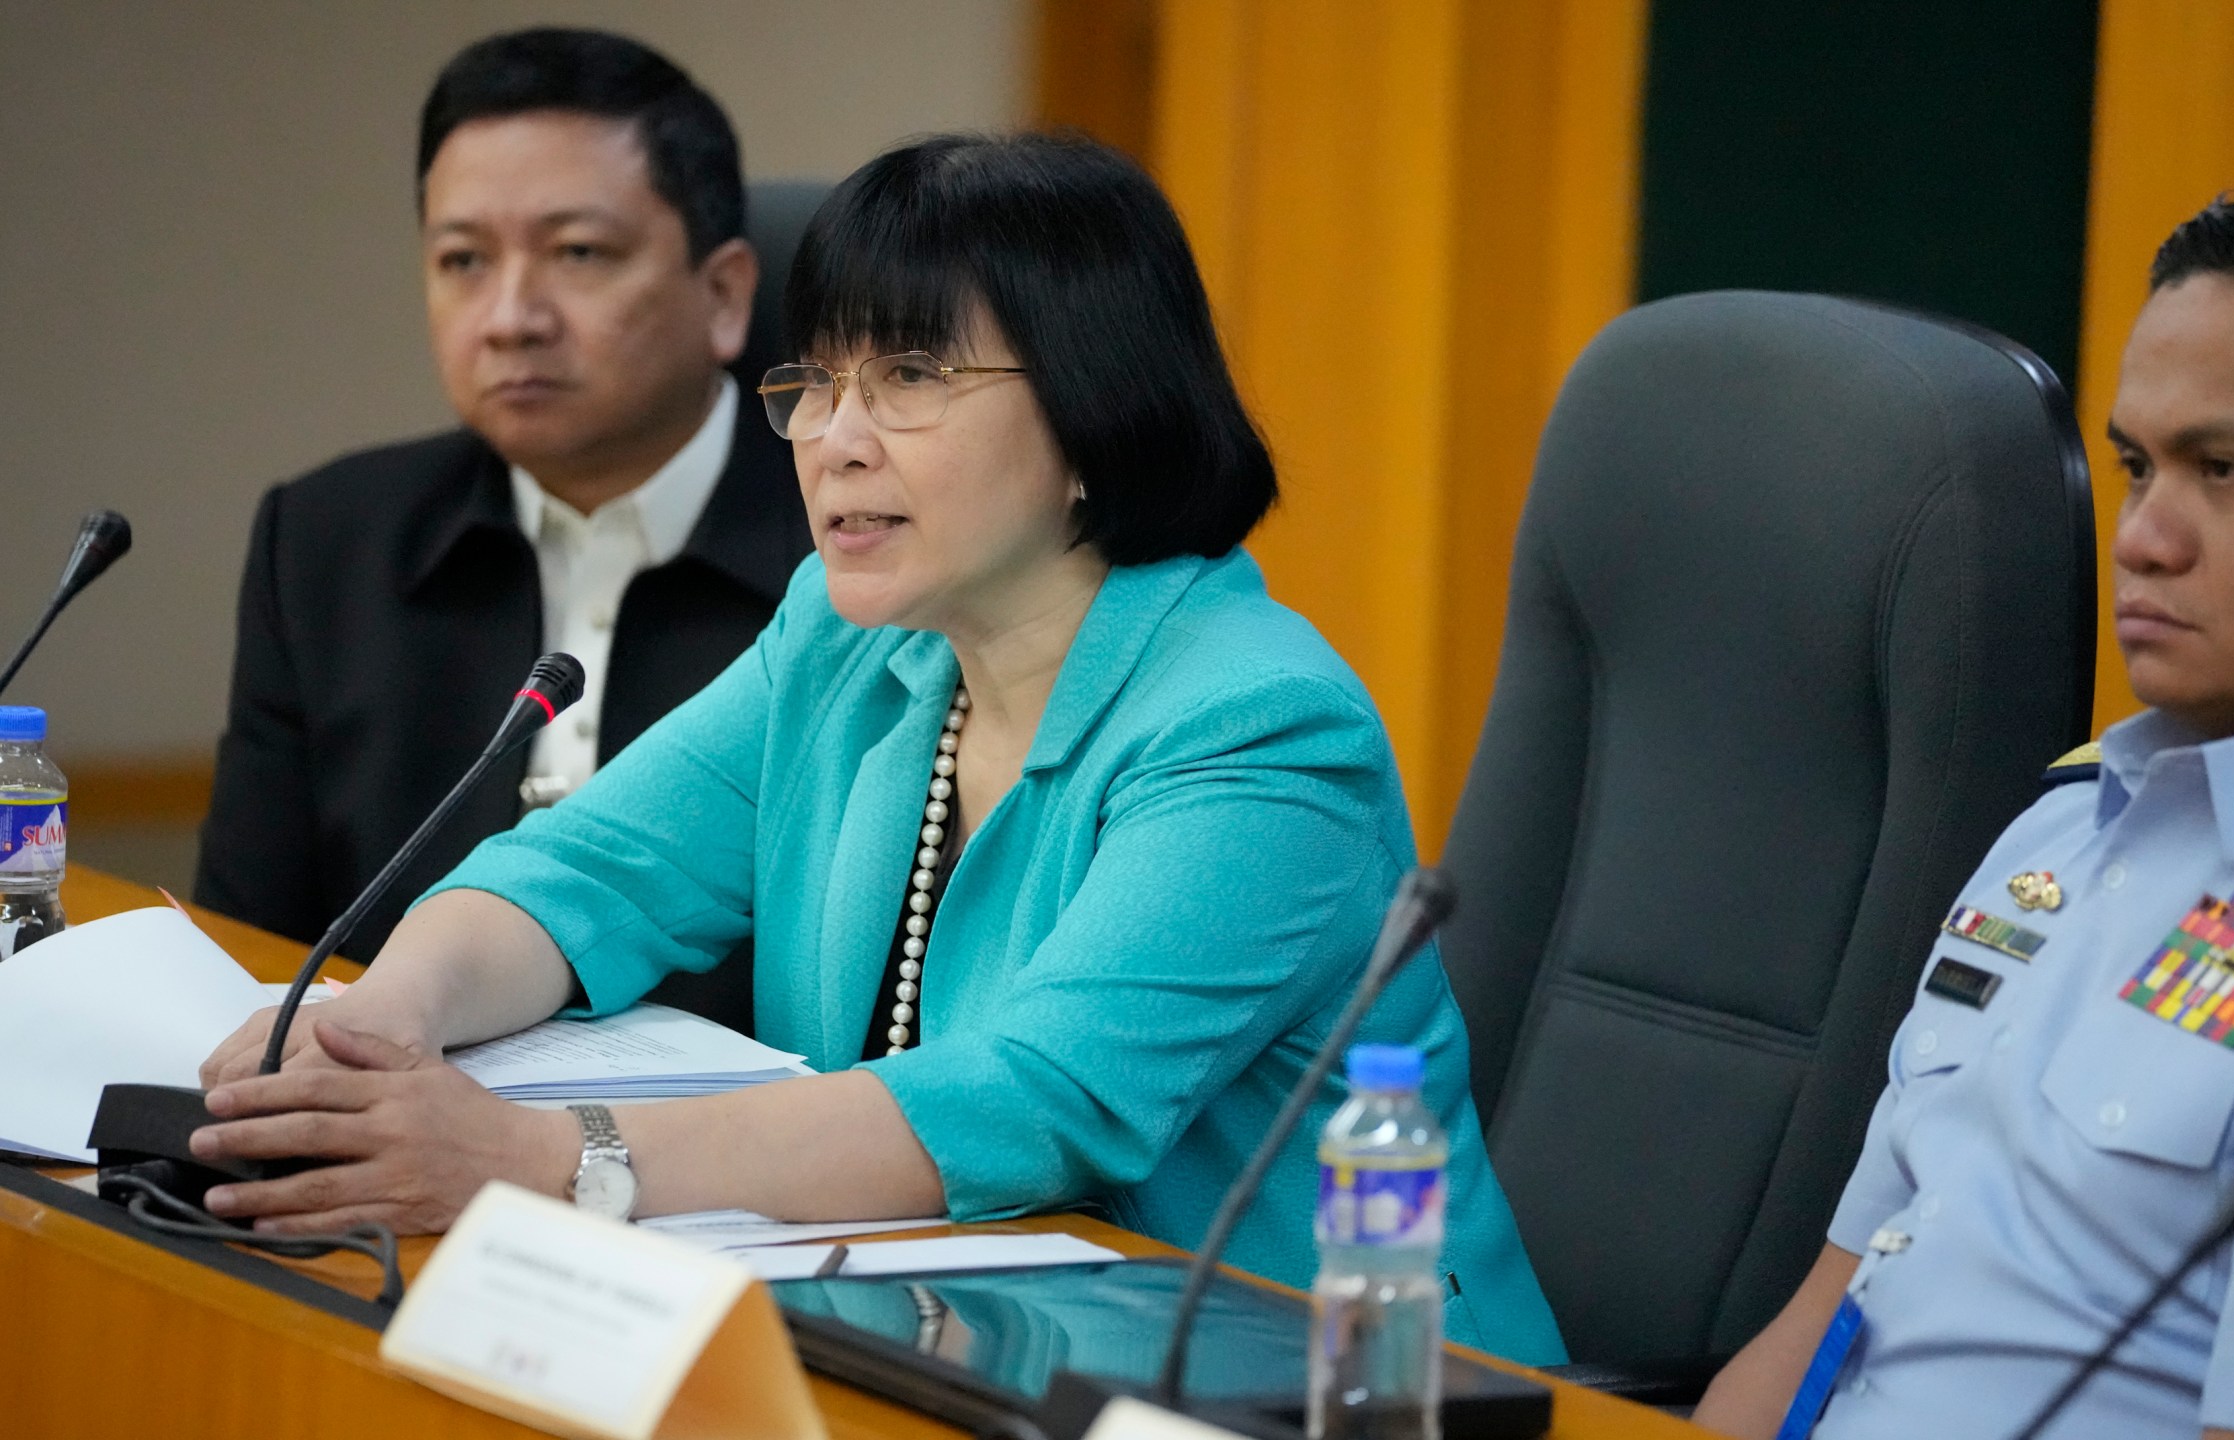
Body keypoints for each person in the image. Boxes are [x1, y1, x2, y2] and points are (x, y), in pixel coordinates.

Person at [185, 132, 1569, 1366]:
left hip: (1302, 1380)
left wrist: (546, 1160)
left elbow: (1033, 1102)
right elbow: (591, 867)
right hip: (934, 1333)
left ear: (1093, 413)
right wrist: (383, 1023)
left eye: (907, 377)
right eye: (816, 383)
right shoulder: (854, 643)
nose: (832, 442)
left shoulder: (1258, 727)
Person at [1694, 186, 2234, 1438]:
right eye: (2138, 468)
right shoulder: (2070, 826)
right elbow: (1830, 1312)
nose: (2143, 540)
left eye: (2227, 470)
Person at [193, 29, 808, 1033]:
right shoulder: (328, 543)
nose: (511, 316)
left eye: (577, 253)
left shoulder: (851, 556)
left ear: (726, 293)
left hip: (750, 1160)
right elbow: (243, 947)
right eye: (464, 260)